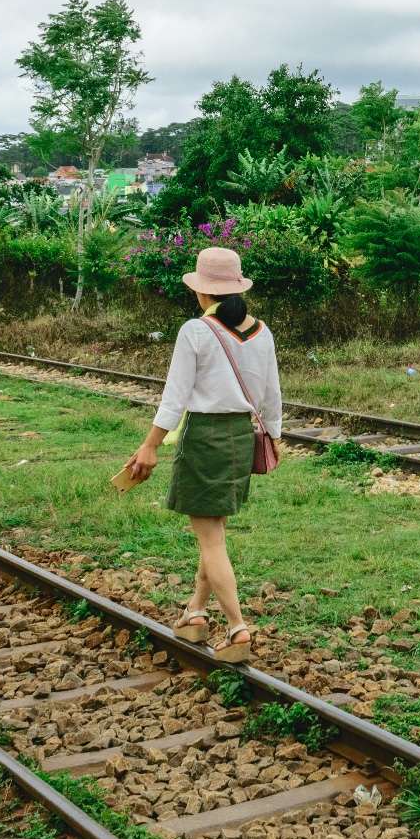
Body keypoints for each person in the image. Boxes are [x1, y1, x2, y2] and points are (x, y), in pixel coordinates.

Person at [119, 245, 281, 662]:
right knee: (216, 532)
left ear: (202, 292)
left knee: (210, 539)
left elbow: (175, 397)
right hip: (243, 437)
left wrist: (150, 444)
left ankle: (237, 629)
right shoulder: (262, 332)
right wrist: (274, 436)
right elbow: (271, 395)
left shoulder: (196, 331)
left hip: (206, 437)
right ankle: (194, 612)